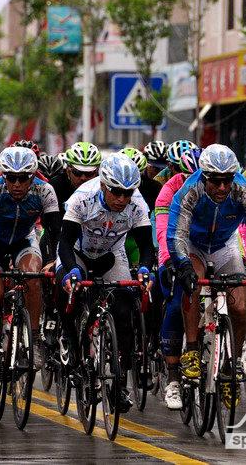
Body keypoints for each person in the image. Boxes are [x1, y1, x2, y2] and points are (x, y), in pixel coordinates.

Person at [167, 144, 246, 394]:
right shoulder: (190, 191)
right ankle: (192, 350)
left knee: (239, 306)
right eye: (216, 181)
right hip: (194, 245)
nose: (223, 187)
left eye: (227, 180)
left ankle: (231, 364)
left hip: (226, 245)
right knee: (193, 283)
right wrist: (182, 263)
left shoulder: (242, 190)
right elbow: (177, 234)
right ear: (204, 176)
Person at [57, 153, 155, 413]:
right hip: (77, 252)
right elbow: (64, 243)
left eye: (127, 192)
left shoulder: (137, 205)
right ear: (102, 185)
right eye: (116, 192)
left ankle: (120, 383)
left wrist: (145, 269)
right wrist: (71, 271)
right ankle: (71, 349)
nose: (122, 199)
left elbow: (147, 245)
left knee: (124, 311)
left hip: (112, 254)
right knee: (71, 293)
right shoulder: (82, 197)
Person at [0, 147, 60, 389]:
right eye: (11, 177)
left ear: (33, 176)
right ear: (4, 176)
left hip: (24, 240)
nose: (17, 184)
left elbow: (54, 231)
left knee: (33, 276)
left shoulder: (45, 190)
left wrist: (52, 259)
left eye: (23, 178)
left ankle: (35, 337)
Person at [154, 147, 201, 409]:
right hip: (175, 245)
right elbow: (163, 233)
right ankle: (172, 378)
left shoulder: (216, 185)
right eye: (188, 176)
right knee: (176, 303)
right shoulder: (169, 190)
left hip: (207, 245)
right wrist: (169, 262)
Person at [48, 142, 102, 214]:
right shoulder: (55, 187)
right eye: (77, 172)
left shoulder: (104, 189)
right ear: (68, 171)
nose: (83, 178)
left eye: (89, 173)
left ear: (97, 172)